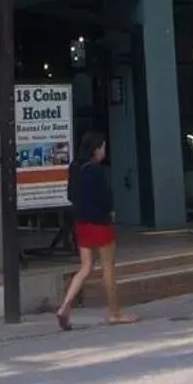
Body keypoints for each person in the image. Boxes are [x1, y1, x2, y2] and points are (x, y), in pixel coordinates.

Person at [56, 132, 133, 331]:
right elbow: (106, 198)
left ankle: (65, 306)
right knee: (108, 268)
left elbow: (71, 194)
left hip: (81, 222)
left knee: (86, 267)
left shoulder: (74, 167)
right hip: (100, 223)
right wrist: (108, 212)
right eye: (102, 148)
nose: (104, 152)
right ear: (95, 149)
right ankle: (114, 312)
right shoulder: (97, 171)